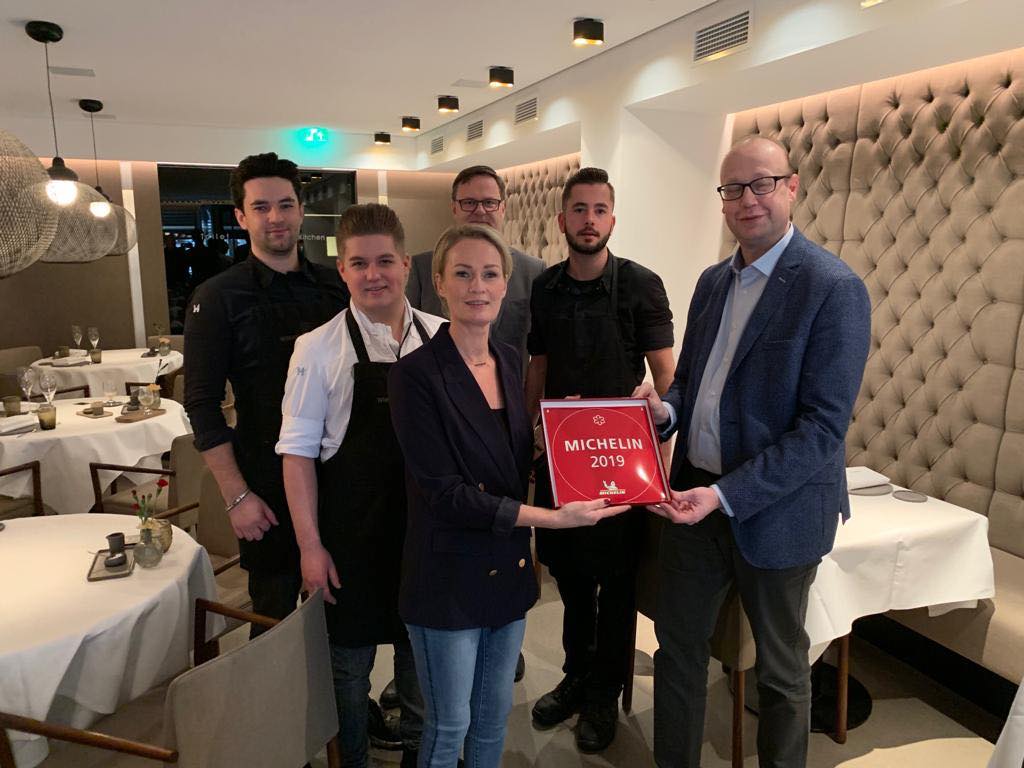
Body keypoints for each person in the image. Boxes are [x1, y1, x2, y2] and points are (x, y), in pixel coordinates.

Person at [634, 136, 871, 768]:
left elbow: (822, 430)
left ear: (792, 187)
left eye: (762, 184)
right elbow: (690, 382)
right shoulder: (713, 282)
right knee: (677, 650)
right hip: (693, 501)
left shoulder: (833, 288)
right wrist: (666, 412)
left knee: (782, 672)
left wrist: (725, 494)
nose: (747, 200)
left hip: (780, 512)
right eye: (733, 188)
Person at [388, 224, 628, 768]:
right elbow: (446, 495)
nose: (478, 286)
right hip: (447, 576)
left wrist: (562, 439)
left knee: (493, 716)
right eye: (463, 273)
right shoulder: (414, 375)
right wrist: (553, 518)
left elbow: (506, 460)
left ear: (505, 284)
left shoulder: (508, 359)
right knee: (449, 727)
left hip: (507, 569)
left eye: (490, 274)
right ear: (439, 283)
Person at [277, 204, 443, 768]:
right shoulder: (317, 347)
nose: (374, 275)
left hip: (425, 536)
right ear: (342, 270)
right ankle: (351, 758)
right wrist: (309, 546)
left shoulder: (441, 337)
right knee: (347, 666)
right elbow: (297, 455)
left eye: (385, 261)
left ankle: (422, 755)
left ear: (406, 264)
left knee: (421, 658)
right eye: (359, 264)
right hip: (349, 534)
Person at [525, 167, 675, 752]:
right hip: (562, 457)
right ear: (562, 219)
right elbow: (538, 366)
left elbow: (667, 382)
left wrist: (662, 464)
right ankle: (576, 676)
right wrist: (529, 432)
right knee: (569, 576)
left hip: (620, 457)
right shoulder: (545, 287)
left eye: (600, 210)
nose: (589, 220)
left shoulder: (641, 285)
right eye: (579, 209)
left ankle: (603, 693)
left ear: (613, 218)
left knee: (614, 584)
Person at [184, 152, 349, 629]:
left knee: (341, 614)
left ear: (301, 210)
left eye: (285, 204)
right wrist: (236, 496)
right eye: (260, 207)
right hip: (265, 483)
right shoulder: (217, 297)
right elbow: (202, 405)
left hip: (340, 477)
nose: (275, 217)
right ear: (241, 216)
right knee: (273, 618)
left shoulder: (337, 287)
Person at [406, 164, 544, 365]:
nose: (480, 211)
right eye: (469, 202)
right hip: (437, 380)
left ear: (502, 208)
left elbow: (539, 349)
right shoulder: (422, 268)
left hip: (509, 383)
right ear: (454, 208)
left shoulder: (533, 271)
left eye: (489, 202)